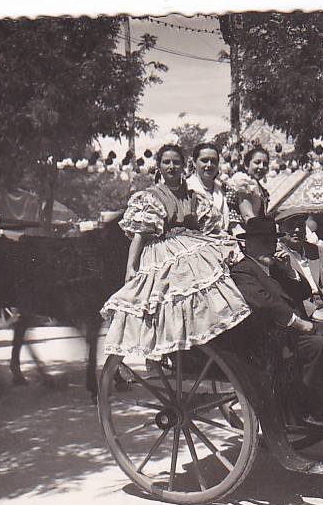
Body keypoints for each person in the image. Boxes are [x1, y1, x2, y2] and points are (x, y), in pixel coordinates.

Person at [100, 144, 250, 360]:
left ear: (184, 166)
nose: (172, 167)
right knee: (172, 296)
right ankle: (175, 349)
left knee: (207, 286)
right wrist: (131, 267)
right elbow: (140, 235)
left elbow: (208, 226)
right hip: (161, 250)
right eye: (166, 162)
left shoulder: (191, 196)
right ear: (159, 166)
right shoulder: (151, 196)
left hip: (190, 243)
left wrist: (226, 238)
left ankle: (209, 340)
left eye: (176, 162)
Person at [229, 216, 323, 420]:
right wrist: (297, 322)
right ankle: (313, 408)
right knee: (318, 345)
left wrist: (290, 272)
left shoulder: (275, 267)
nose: (270, 247)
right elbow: (264, 304)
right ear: (249, 244)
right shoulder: (242, 270)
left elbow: (304, 293)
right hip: (269, 337)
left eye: (272, 242)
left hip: (293, 329)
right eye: (264, 242)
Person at [187, 142, 232, 235]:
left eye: (213, 161)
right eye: (204, 160)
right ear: (194, 163)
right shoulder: (186, 189)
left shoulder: (222, 190)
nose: (209, 165)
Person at [225, 146, 271, 235]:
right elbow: (247, 216)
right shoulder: (242, 180)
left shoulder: (258, 187)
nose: (261, 167)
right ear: (246, 165)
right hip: (239, 230)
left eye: (265, 164)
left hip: (252, 229)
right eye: (257, 162)